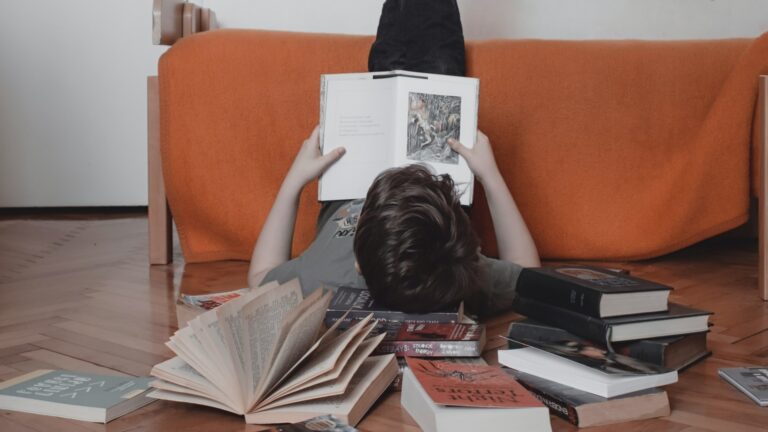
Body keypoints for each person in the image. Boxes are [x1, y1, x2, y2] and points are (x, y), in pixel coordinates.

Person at [247, 1, 540, 317]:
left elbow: (259, 276)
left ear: (358, 266)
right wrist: (490, 176)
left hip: (358, 170)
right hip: (430, 200)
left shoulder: (323, 277)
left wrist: (294, 181)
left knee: (390, 61)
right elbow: (529, 276)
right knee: (439, 63)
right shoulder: (456, 272)